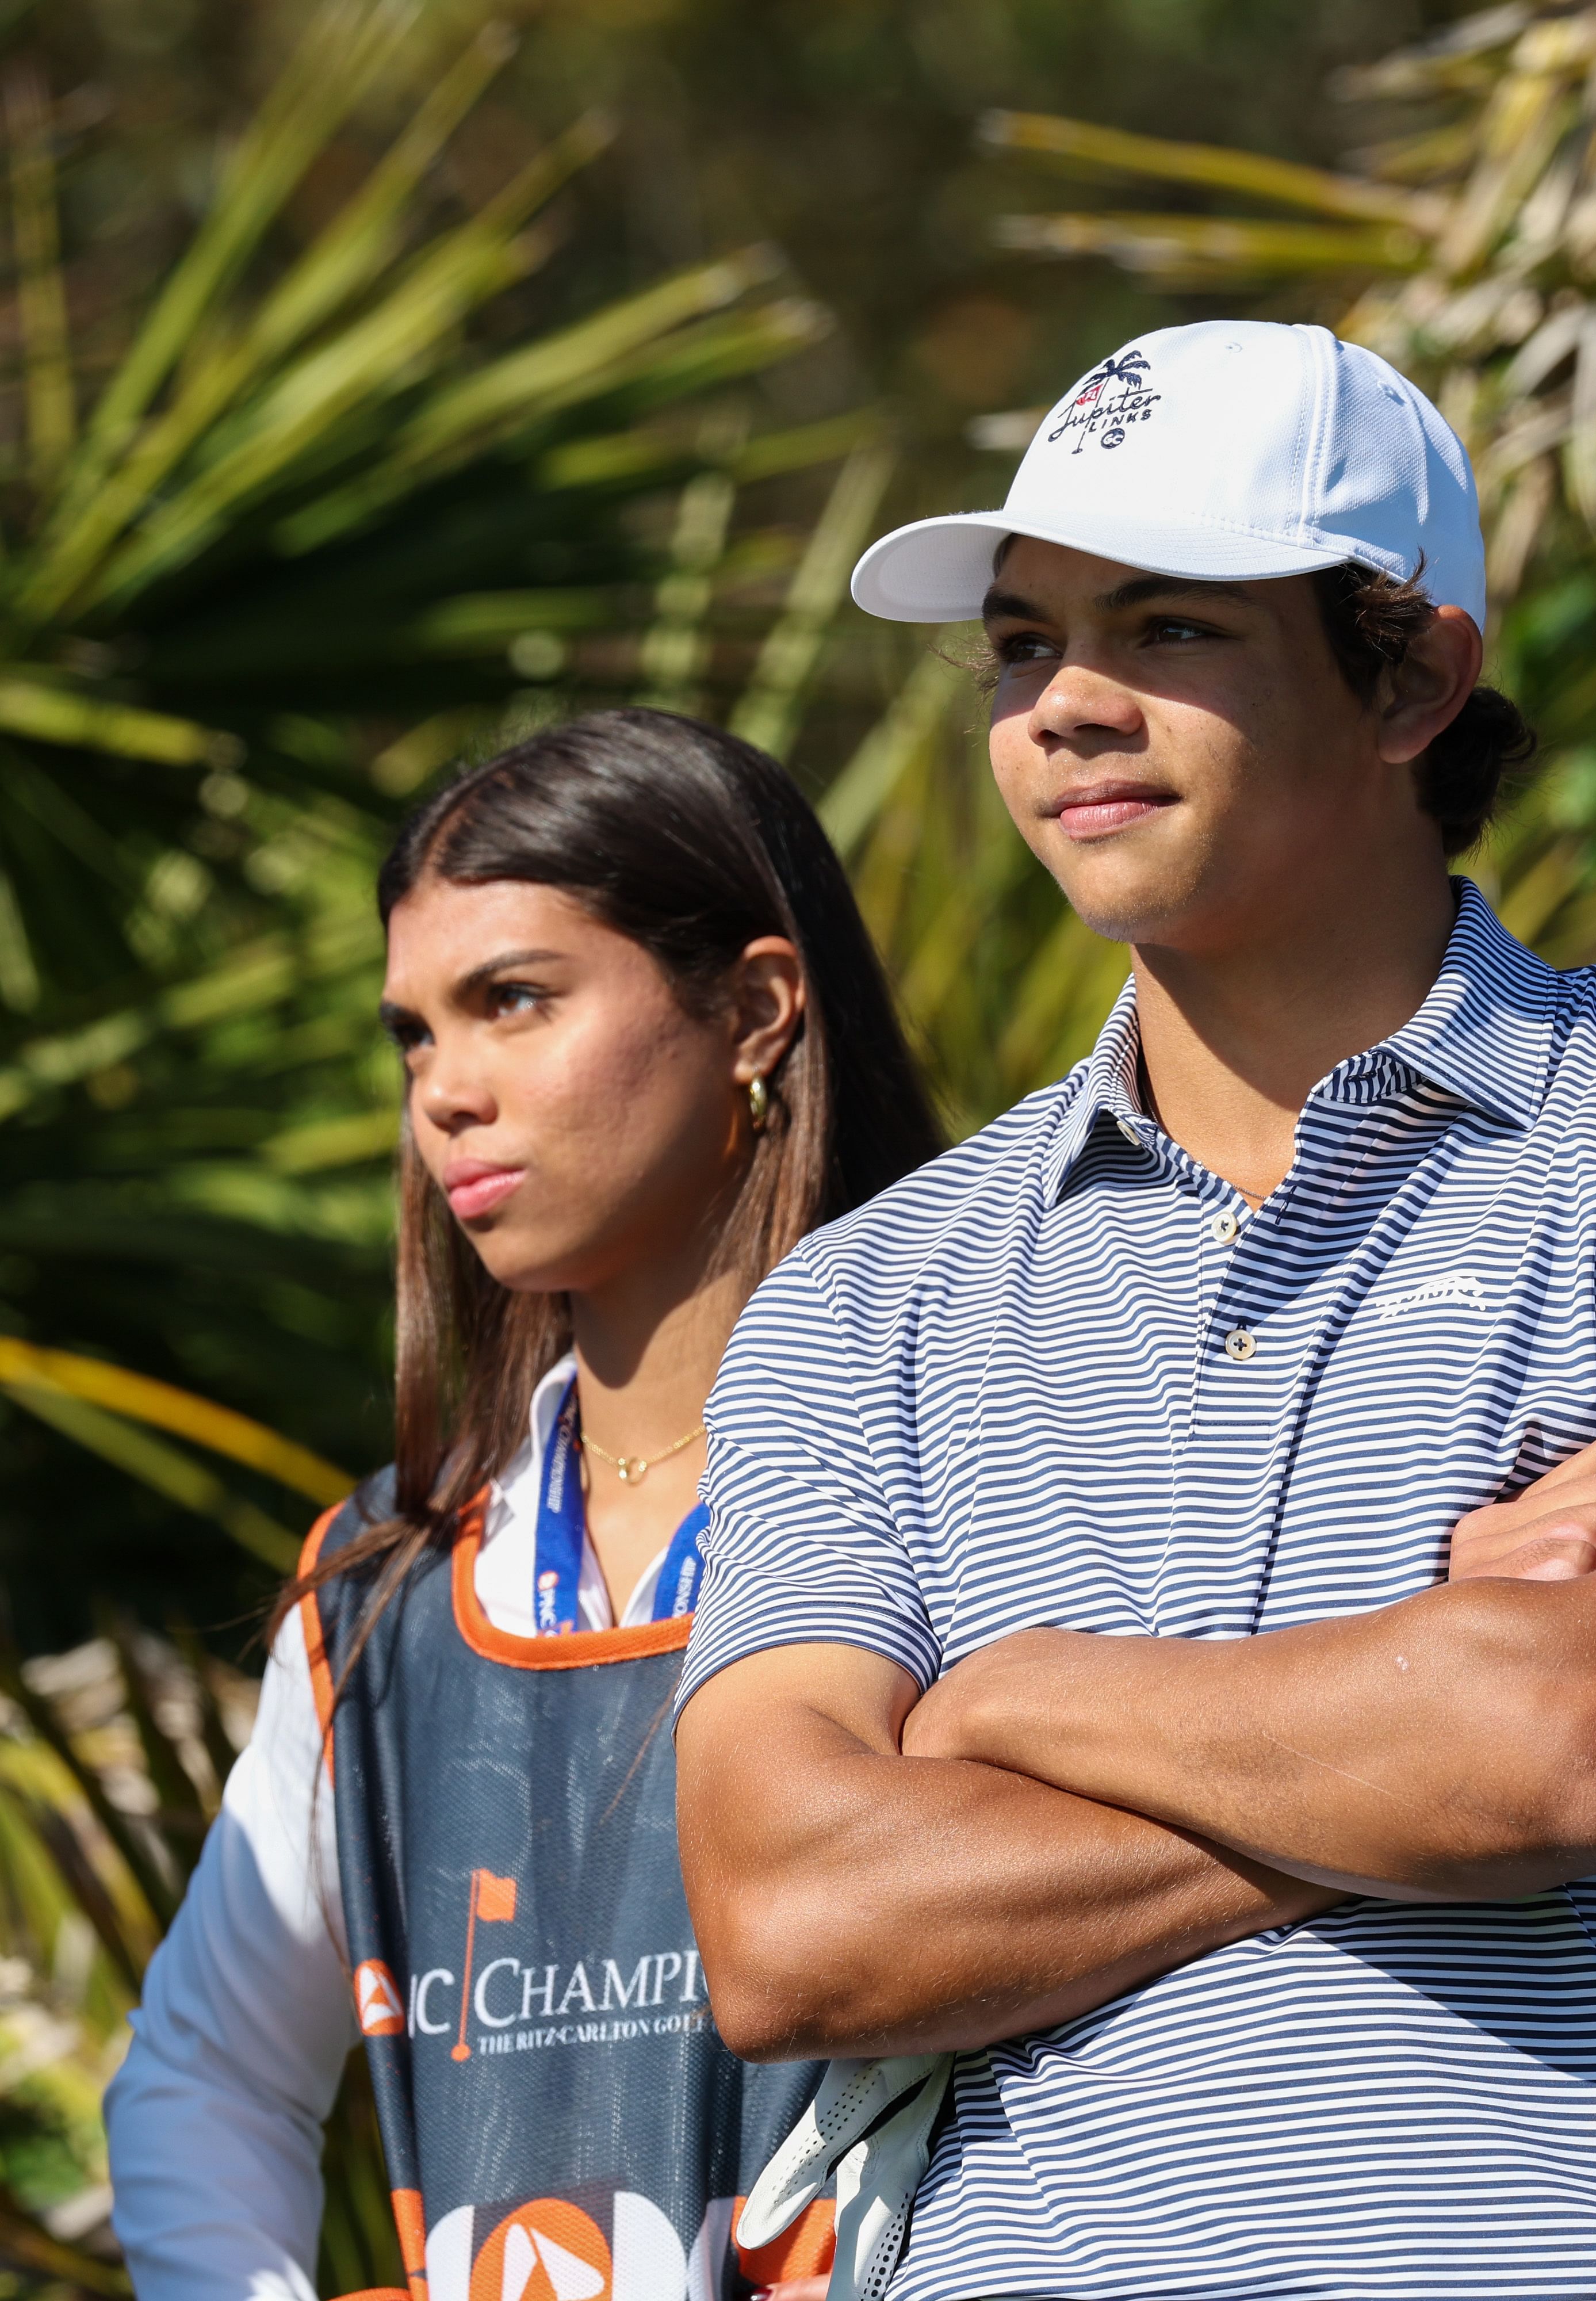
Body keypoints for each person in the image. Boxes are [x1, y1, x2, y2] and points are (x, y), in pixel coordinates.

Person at [668, 319, 1596, 2301]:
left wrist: (1002, 1706)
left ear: (1412, 673)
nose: (1064, 708)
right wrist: (1424, 1693)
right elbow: (791, 1926)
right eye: (1017, 645)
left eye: (1167, 629)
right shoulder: (866, 1300)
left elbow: (1584, 1748)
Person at [103, 712, 945, 2301]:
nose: (447, 1093)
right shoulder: (384, 1588)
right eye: (416, 1032)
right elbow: (203, 2077)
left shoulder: (986, 1467)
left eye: (516, 1001)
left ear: (758, 1009)